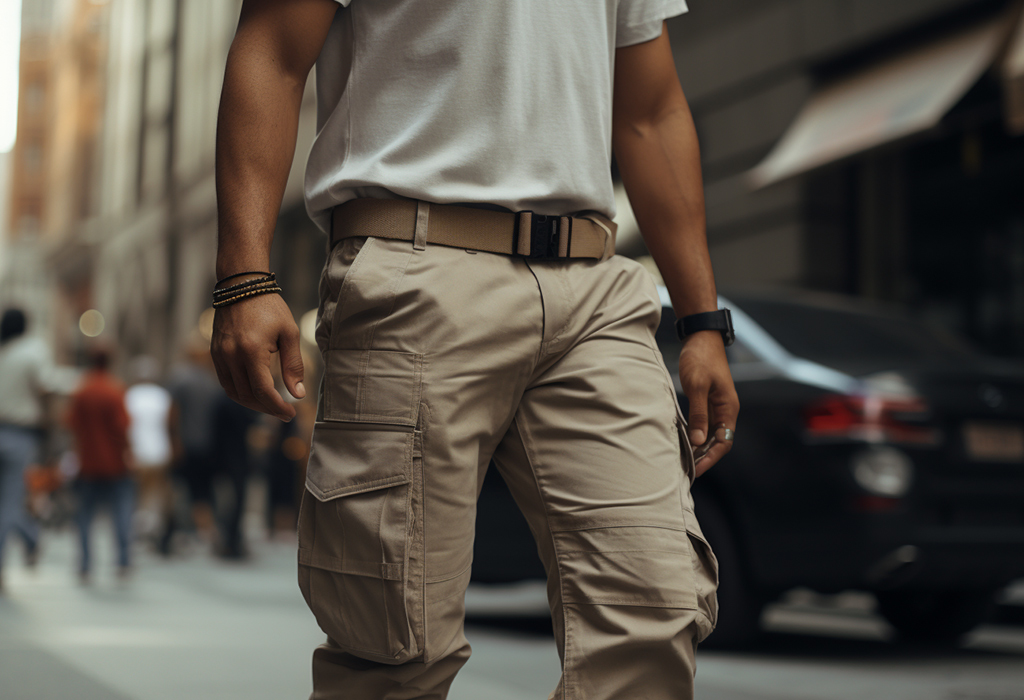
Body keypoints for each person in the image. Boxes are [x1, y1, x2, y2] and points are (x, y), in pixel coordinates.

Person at [212, 2, 740, 699]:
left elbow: (651, 111)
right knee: (395, 653)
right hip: (417, 266)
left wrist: (701, 320)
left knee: (655, 614)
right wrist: (244, 276)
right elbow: (274, 52)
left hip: (595, 288)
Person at [67, 348, 134, 582]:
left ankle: (85, 564)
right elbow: (122, 427)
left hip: (88, 462)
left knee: (84, 515)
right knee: (121, 512)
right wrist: (128, 452)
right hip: (115, 463)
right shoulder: (115, 390)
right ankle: (123, 562)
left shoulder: (82, 390)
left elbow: (71, 423)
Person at [0, 308, 49, 592]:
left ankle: (30, 538)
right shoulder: (32, 352)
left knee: (7, 503)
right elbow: (44, 389)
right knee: (10, 502)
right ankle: (27, 541)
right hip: (20, 435)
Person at [124, 356, 173, 541]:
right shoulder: (162, 396)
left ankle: (139, 526)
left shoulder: (130, 396)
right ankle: (152, 526)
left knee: (137, 493)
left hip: (138, 452)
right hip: (160, 451)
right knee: (155, 493)